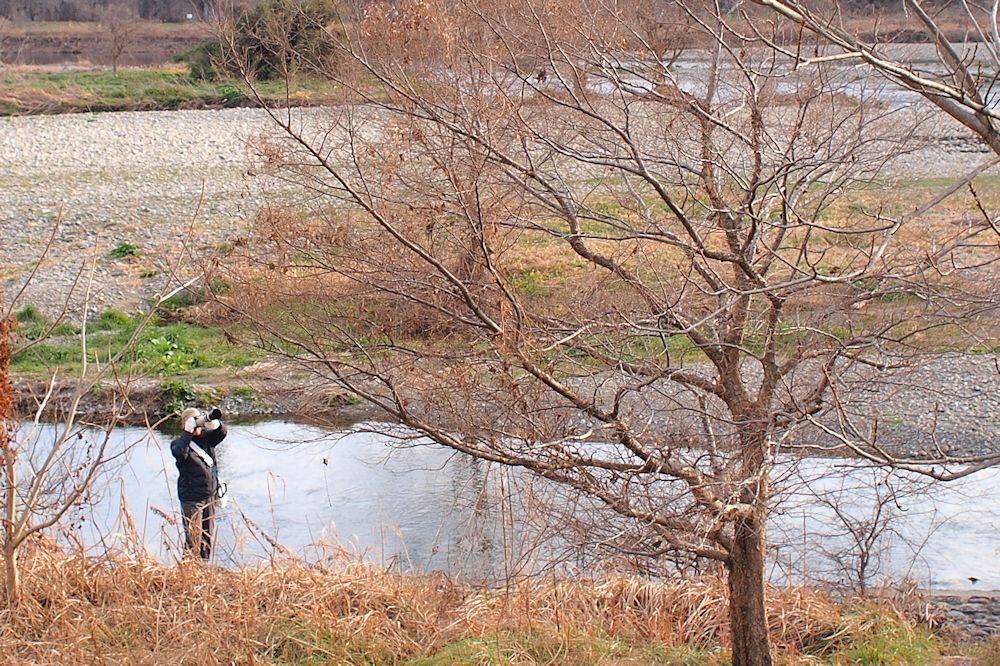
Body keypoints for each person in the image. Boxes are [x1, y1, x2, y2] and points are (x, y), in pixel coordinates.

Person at [170, 406, 227, 560]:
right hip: (192, 499)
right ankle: (188, 573)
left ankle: (204, 572)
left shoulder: (206, 439)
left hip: (209, 496)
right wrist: (188, 432)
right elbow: (180, 453)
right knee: (193, 539)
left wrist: (215, 424)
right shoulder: (179, 443)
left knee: (206, 539)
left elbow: (221, 434)